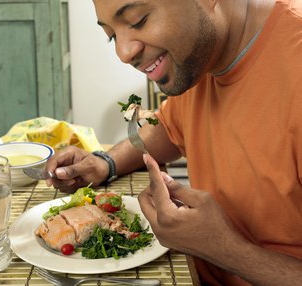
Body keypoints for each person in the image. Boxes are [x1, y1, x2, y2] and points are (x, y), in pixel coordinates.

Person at [45, 0, 302, 285]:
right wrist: (105, 163)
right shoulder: (201, 59)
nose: (124, 52)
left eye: (138, 20)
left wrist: (225, 249)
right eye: (112, 37)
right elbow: (168, 128)